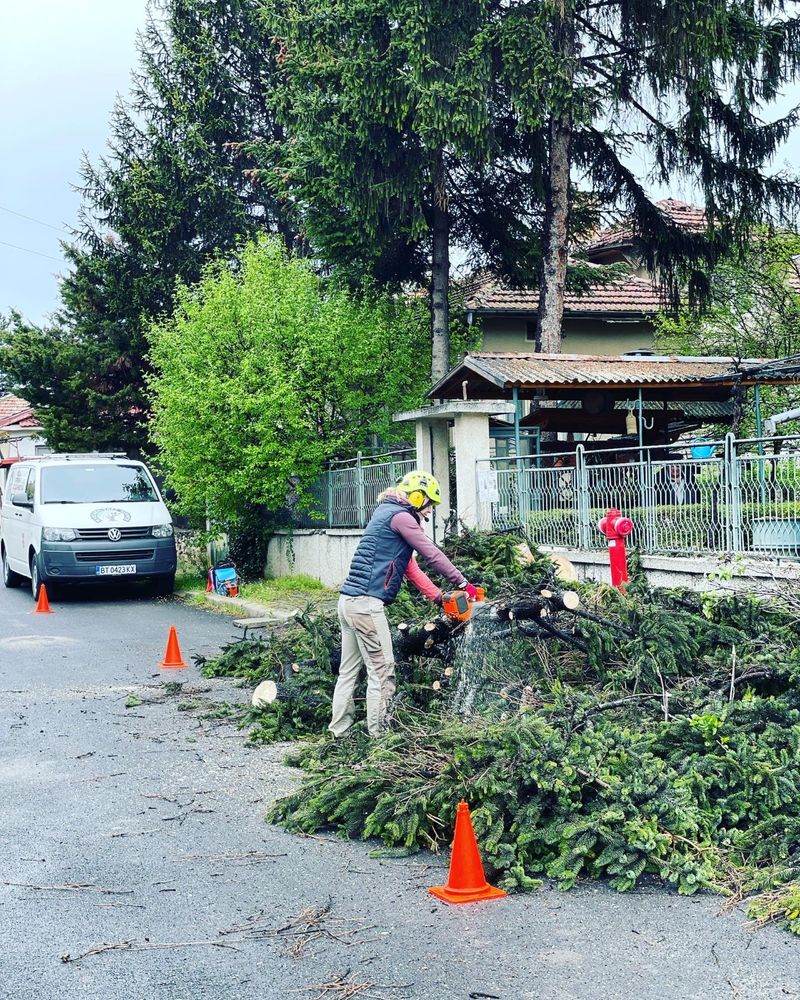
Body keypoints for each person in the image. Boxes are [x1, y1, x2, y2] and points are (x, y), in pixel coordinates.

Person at [329, 470, 478, 739]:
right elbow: (431, 554)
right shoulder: (402, 517)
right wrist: (463, 584)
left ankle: (339, 732)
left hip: (347, 603)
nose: (429, 513)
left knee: (348, 672)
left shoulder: (386, 514)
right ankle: (380, 738)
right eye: (429, 506)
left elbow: (410, 567)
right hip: (365, 605)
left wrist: (438, 597)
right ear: (418, 497)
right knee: (382, 673)